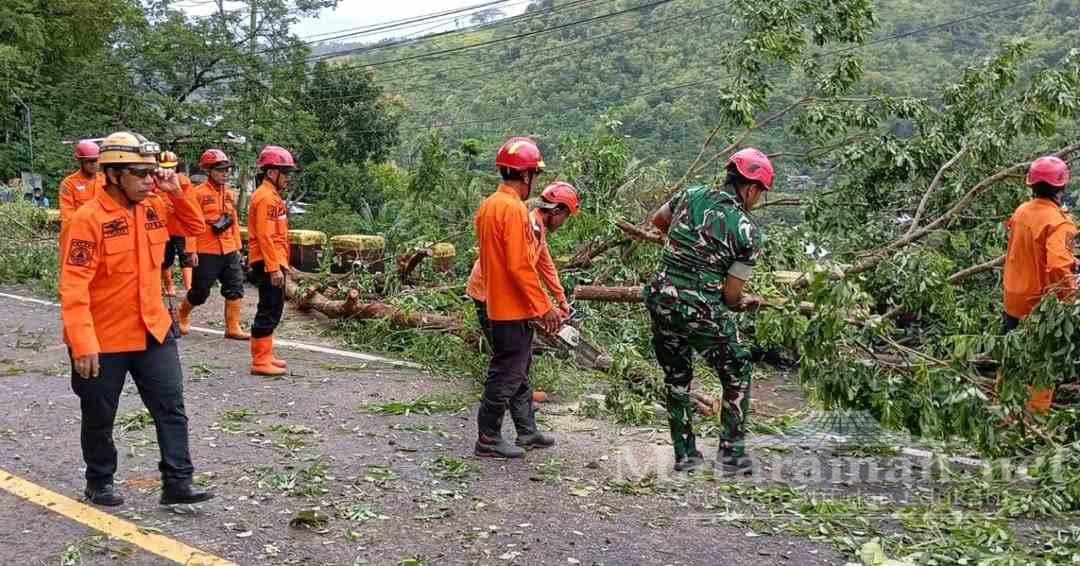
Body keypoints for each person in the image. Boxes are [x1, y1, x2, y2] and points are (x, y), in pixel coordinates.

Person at [59, 131, 213, 507]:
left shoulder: (155, 206)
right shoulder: (86, 220)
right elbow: (73, 286)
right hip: (104, 337)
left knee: (171, 406)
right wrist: (81, 341)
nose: (149, 180)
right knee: (99, 414)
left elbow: (195, 227)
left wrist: (176, 191)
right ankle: (99, 481)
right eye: (140, 173)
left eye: (151, 172)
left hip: (153, 329)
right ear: (113, 175)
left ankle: (177, 482)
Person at [644, 148, 772, 473]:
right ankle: (731, 455)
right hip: (699, 306)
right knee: (737, 369)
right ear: (751, 188)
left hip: (660, 297)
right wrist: (744, 302)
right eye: (760, 193)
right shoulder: (747, 231)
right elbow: (730, 296)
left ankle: (685, 455)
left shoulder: (691, 194)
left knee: (676, 375)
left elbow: (658, 221)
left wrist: (682, 250)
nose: (757, 200)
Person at [472, 137, 561, 459]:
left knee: (516, 370)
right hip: (512, 307)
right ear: (526, 175)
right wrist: (545, 307)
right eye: (534, 175)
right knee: (506, 373)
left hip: (499, 302)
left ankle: (524, 431)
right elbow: (520, 265)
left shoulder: (489, 205)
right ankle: (488, 438)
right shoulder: (514, 210)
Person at [1001, 155, 1077, 413]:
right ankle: (1034, 423)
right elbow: (1057, 267)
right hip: (1040, 308)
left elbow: (1029, 250)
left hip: (1013, 301)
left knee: (1011, 363)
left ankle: (1003, 417)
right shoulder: (1060, 223)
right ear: (1062, 186)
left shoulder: (1021, 211)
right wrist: (1071, 298)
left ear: (1031, 184)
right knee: (1041, 371)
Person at [467, 182, 580, 350]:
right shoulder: (530, 227)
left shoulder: (538, 227)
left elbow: (546, 266)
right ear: (556, 211)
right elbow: (520, 271)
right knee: (507, 352)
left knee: (516, 350)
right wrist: (545, 308)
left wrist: (561, 299)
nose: (564, 221)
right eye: (566, 216)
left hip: (501, 289)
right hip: (489, 291)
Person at [176, 149, 248, 340]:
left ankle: (233, 327)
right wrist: (191, 250)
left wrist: (238, 247)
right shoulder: (197, 193)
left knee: (235, 286)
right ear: (209, 171)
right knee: (200, 291)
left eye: (227, 170)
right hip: (206, 248)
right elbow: (190, 222)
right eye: (220, 170)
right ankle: (181, 313)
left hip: (229, 247)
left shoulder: (229, 193)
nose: (225, 173)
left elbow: (233, 220)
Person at [247, 145, 297, 376]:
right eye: (284, 173)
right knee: (268, 308)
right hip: (268, 262)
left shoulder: (271, 196)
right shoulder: (266, 198)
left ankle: (266, 354)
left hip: (274, 260)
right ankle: (260, 360)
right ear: (270, 172)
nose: (287, 177)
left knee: (274, 307)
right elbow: (265, 236)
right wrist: (274, 268)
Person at [153, 151, 196, 295]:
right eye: (165, 167)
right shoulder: (155, 181)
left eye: (171, 167)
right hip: (163, 228)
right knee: (165, 259)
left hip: (180, 227)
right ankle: (169, 286)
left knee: (186, 257)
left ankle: (189, 288)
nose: (168, 170)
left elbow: (190, 202)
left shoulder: (183, 181)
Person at [59, 140, 105, 223]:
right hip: (81, 226)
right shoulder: (68, 184)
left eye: (95, 160)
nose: (93, 164)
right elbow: (67, 215)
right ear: (81, 161)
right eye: (89, 161)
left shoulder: (105, 180)